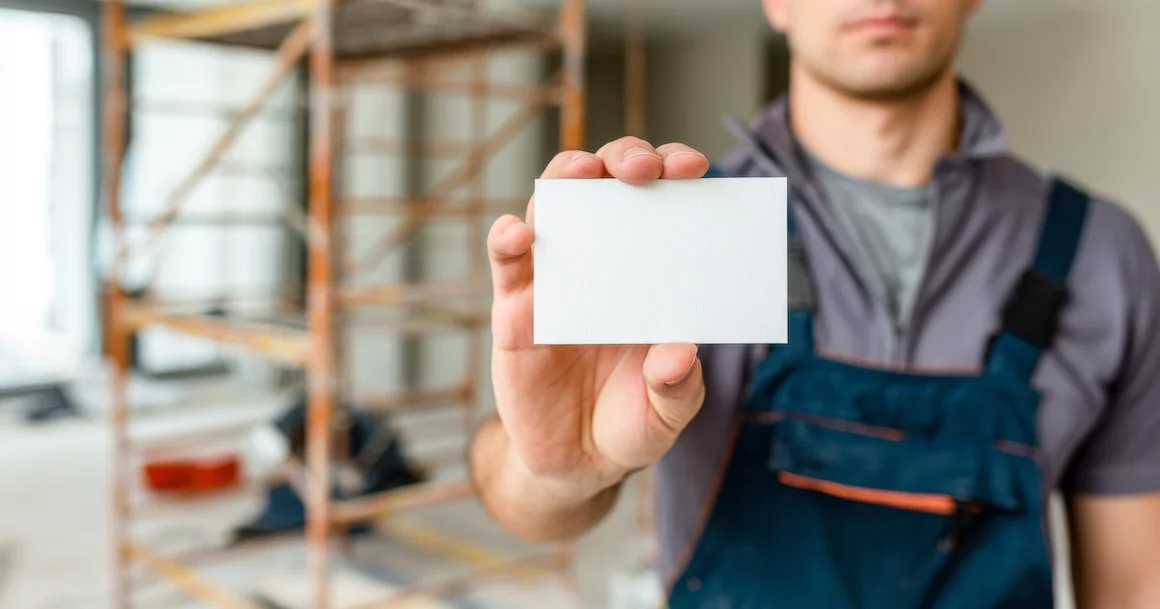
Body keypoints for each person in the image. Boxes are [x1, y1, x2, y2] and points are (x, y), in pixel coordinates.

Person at [469, 0, 1160, 606]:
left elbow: (1134, 587)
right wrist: (552, 469)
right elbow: (520, 494)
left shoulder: (1101, 254)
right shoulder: (673, 236)